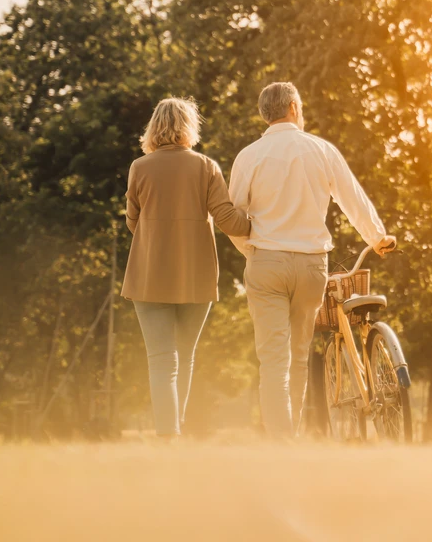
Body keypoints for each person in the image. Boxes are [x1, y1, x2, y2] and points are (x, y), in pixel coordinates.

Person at [229, 81, 396, 437]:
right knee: (299, 357)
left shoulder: (248, 156)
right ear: (293, 107)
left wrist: (252, 250)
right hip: (311, 266)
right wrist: (377, 238)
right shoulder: (320, 150)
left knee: (274, 360)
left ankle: (281, 442)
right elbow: (352, 198)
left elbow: (233, 218)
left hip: (266, 263)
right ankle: (291, 436)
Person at [122, 97, 251, 437]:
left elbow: (132, 223)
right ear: (189, 128)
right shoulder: (206, 167)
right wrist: (263, 222)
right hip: (195, 276)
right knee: (185, 356)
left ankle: (169, 436)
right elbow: (228, 220)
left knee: (162, 360)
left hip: (148, 276)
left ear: (154, 127)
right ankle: (174, 430)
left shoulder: (139, 167)